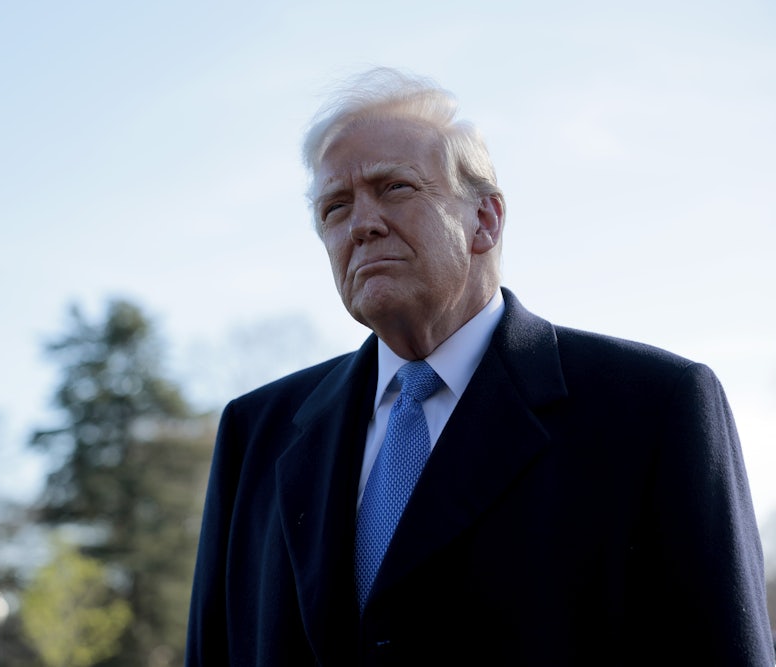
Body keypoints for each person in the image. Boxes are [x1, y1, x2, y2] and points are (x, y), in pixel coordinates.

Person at [185, 68, 774, 666]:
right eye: (336, 207)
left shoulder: (653, 407)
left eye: (394, 188)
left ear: (485, 220)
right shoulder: (255, 431)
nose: (361, 224)